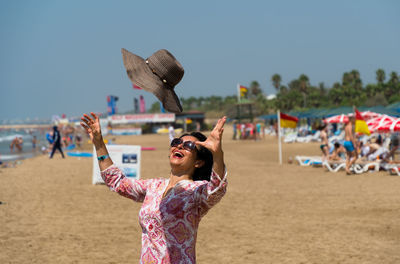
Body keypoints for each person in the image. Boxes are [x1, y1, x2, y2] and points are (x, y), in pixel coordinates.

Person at [80, 112, 227, 263]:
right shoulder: (154, 186)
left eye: (189, 145)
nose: (180, 145)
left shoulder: (196, 191)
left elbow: (217, 188)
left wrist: (217, 153)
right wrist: (99, 144)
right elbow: (117, 182)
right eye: (176, 142)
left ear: (198, 162)